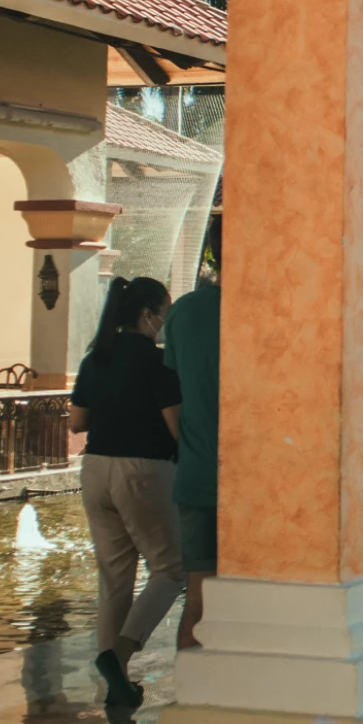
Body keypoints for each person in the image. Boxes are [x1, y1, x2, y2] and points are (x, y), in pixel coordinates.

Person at [71, 275, 184, 708]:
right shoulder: (156, 364)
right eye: (164, 313)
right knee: (170, 569)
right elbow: (176, 428)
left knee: (115, 578)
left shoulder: (94, 358)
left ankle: (115, 684)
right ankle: (118, 658)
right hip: (143, 469)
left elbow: (76, 423)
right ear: (147, 313)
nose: (164, 321)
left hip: (94, 468)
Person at [161, 218, 221, 649]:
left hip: (196, 474)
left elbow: (172, 398)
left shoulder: (183, 311)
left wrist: (191, 445)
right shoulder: (273, 308)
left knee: (198, 601)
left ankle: (190, 700)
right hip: (260, 486)